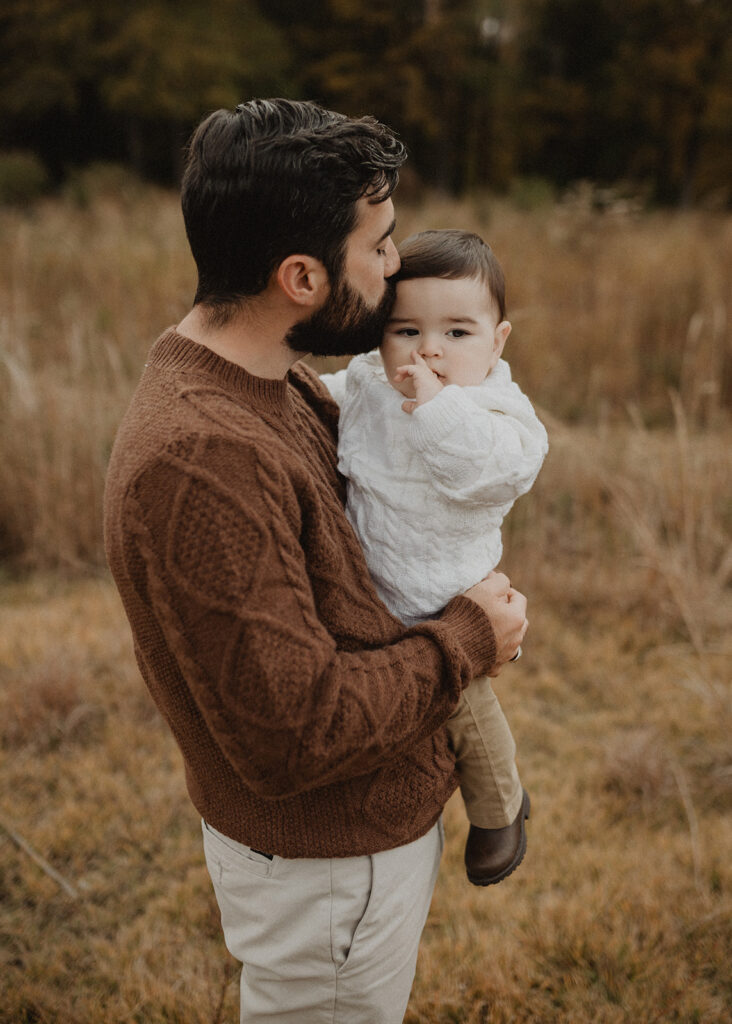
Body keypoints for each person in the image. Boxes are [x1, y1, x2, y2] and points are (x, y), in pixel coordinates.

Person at [103, 99, 528, 1024]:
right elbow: (292, 732)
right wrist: (468, 637)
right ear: (301, 275)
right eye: (378, 249)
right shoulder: (201, 458)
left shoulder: (271, 375)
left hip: (349, 851)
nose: (395, 268)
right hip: (328, 873)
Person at [320, 229, 548, 887]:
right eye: (406, 331)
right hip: (376, 584)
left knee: (461, 703)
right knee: (410, 706)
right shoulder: (368, 381)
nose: (429, 350)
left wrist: (437, 406)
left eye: (457, 333)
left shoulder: (493, 408)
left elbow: (491, 470)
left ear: (497, 341)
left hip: (445, 595)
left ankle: (501, 805)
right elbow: (322, 398)